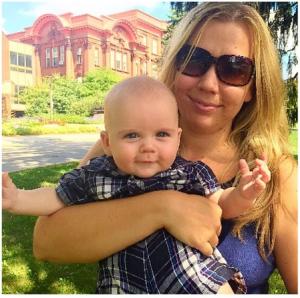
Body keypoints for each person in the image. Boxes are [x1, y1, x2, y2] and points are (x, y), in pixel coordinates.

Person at [32, 2, 297, 294]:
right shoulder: (127, 148)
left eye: (234, 69)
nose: (209, 83)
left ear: (252, 88)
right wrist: (163, 208)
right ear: (175, 66)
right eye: (194, 60)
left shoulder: (274, 171)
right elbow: (47, 241)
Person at [2, 76, 271, 293]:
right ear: (107, 142)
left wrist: (244, 194)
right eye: (132, 135)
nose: (148, 147)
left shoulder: (188, 174)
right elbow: (55, 198)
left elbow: (221, 204)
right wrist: (16, 199)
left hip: (196, 280)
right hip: (127, 285)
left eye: (161, 135)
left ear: (177, 138)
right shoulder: (97, 175)